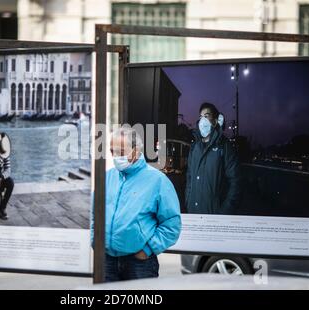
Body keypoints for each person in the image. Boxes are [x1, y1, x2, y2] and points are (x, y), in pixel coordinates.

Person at [92, 127, 181, 282]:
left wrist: (148, 249)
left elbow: (172, 224)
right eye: (112, 151)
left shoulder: (157, 180)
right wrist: (95, 239)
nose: (114, 156)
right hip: (107, 261)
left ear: (135, 151)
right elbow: (94, 212)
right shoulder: (106, 177)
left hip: (139, 264)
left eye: (120, 151)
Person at [185, 102, 240, 214]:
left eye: (206, 116)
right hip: (193, 212)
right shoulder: (194, 147)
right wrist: (188, 200)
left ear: (215, 121)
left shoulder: (224, 146)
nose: (202, 120)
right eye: (200, 117)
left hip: (214, 215)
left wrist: (224, 212)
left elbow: (236, 182)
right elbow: (190, 177)